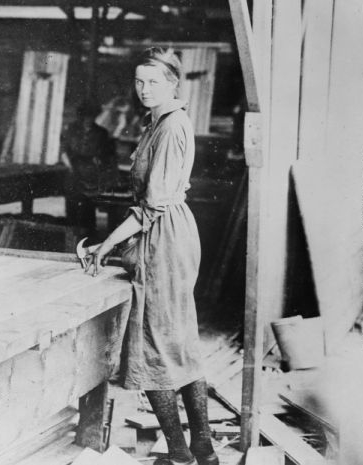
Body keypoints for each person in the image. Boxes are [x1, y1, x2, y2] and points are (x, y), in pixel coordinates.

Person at [85, 48, 217, 465]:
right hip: (168, 231)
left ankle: (179, 454)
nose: (144, 90)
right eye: (139, 82)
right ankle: (204, 449)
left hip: (163, 235)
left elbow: (151, 205)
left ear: (174, 83)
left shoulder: (171, 125)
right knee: (179, 342)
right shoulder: (159, 121)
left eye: (154, 82)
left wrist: (106, 245)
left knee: (153, 345)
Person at [61, 100, 118, 233]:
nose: (87, 119)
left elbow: (108, 156)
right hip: (73, 170)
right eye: (84, 116)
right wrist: (69, 167)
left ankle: (89, 236)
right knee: (72, 206)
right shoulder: (71, 129)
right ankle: (70, 235)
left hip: (91, 173)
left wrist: (103, 172)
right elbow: (64, 151)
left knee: (88, 207)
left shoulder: (101, 133)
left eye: (91, 116)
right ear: (80, 116)